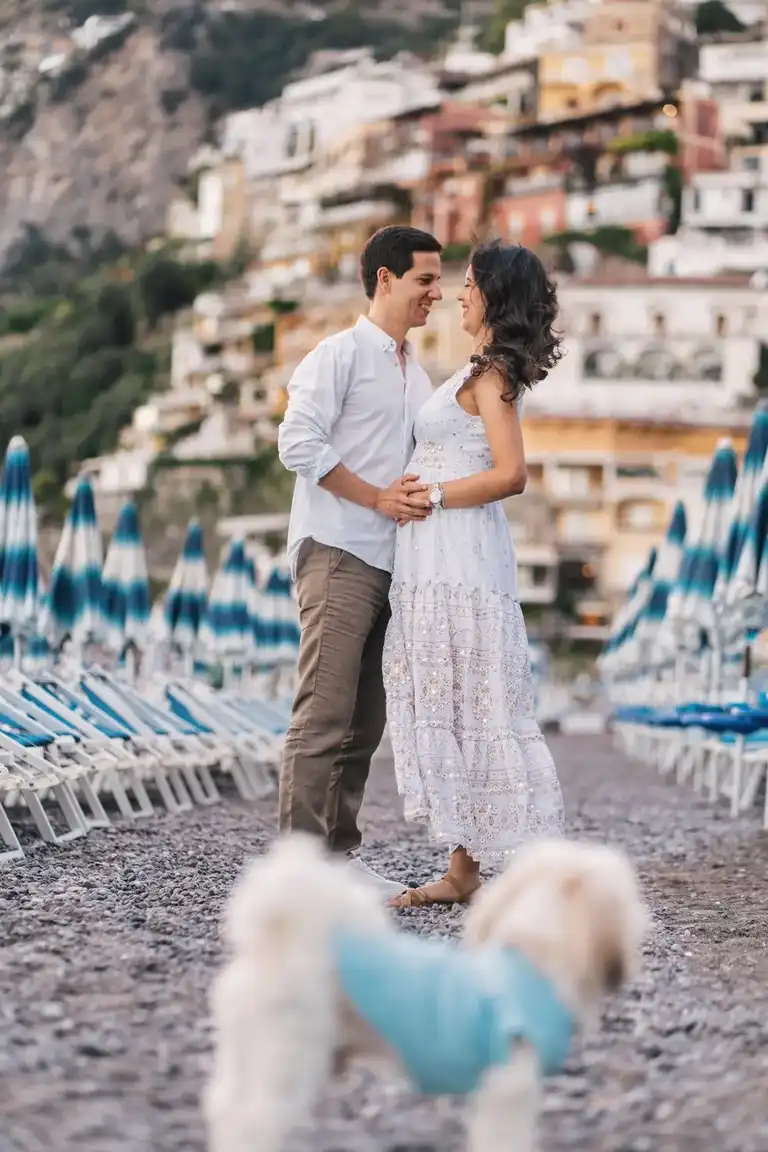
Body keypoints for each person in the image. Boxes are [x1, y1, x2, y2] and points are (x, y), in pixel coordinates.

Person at [383, 240, 566, 909]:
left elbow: (510, 473)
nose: (460, 294)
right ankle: (464, 869)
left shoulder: (492, 377)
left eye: (469, 284)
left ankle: (523, 864)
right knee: (454, 699)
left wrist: (429, 497)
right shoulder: (475, 370)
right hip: (437, 557)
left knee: (478, 701)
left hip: (460, 557)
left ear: (494, 296)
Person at [277, 225, 443, 897]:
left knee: (364, 722)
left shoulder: (419, 373)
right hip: (338, 550)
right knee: (323, 715)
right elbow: (298, 443)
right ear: (384, 279)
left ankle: (337, 862)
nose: (437, 292)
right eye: (425, 279)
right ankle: (295, 878)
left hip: (390, 567)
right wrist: (375, 497)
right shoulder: (337, 355)